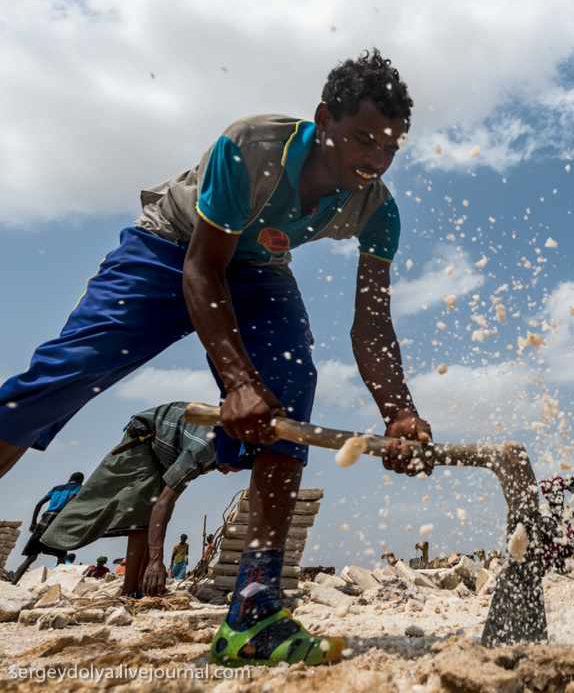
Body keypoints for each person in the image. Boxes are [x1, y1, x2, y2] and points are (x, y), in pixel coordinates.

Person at [0, 50, 433, 667]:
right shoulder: (251, 146)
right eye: (363, 139)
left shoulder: (378, 209)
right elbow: (203, 270)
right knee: (66, 375)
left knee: (289, 386)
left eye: (390, 149)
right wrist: (236, 382)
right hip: (171, 249)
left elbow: (372, 324)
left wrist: (399, 412)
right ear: (324, 119)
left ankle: (254, 613)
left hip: (258, 273)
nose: (374, 160)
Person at [40, 402, 236, 598]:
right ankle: (130, 590)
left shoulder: (224, 446)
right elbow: (162, 504)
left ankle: (144, 585)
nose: (226, 472)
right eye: (233, 465)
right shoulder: (204, 449)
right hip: (146, 437)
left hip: (165, 448)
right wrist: (155, 561)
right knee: (143, 512)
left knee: (156, 516)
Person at [9, 472, 83, 585]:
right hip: (56, 522)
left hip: (43, 520)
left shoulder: (56, 488)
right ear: (80, 480)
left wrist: (33, 522)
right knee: (62, 555)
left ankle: (13, 583)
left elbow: (38, 504)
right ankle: (52, 585)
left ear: (69, 479)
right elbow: (70, 501)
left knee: (31, 556)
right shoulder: (78, 487)